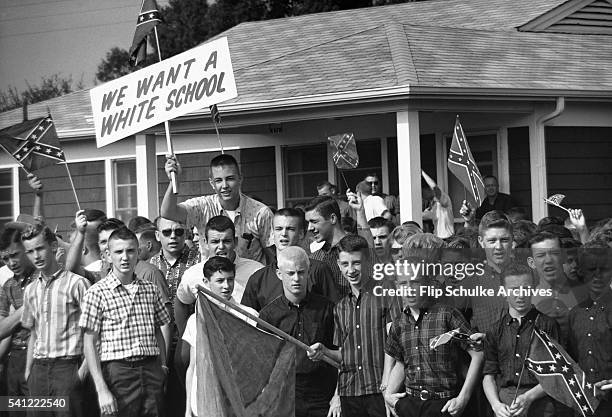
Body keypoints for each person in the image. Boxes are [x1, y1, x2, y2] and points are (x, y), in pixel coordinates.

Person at [80, 227, 171, 417]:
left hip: (151, 368)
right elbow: (89, 343)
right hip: (118, 372)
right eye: (119, 252)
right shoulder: (97, 292)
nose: (125, 257)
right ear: (107, 255)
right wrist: (101, 389)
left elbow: (158, 330)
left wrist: (162, 365)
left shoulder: (150, 289)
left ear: (138, 252)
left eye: (130, 251)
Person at [383, 250, 484, 417]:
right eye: (403, 283)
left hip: (444, 405)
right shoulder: (398, 323)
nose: (409, 289)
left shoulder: (447, 315)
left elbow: (478, 354)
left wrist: (463, 397)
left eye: (415, 282)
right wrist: (387, 396)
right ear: (396, 286)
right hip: (410, 404)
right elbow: (401, 363)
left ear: (427, 283)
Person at [308, 235, 400, 417]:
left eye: (356, 263)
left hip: (380, 391)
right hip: (349, 392)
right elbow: (344, 355)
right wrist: (324, 351)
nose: (350, 270)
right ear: (338, 264)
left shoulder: (388, 293)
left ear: (368, 261)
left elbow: (398, 346)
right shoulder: (340, 307)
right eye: (345, 264)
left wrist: (389, 386)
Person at [20, 224, 90, 417]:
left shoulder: (78, 284)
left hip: (67, 368)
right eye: (30, 251)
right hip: (39, 371)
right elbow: (33, 332)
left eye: (40, 248)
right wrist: (28, 371)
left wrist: (82, 373)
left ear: (52, 246)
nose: (36, 256)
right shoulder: (31, 290)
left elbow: (94, 331)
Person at [483, 263, 570, 417]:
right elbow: (489, 376)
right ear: (503, 292)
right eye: (514, 289)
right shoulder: (495, 330)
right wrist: (495, 404)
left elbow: (559, 373)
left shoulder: (548, 325)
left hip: (541, 403)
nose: (521, 294)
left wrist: (528, 397)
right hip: (505, 406)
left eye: (526, 288)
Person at [259, 247, 337, 417]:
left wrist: (338, 395)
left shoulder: (327, 308)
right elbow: (262, 362)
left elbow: (342, 353)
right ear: (279, 274)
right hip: (284, 394)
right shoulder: (268, 315)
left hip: (322, 394)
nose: (296, 278)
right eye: (290, 273)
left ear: (308, 272)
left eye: (301, 272)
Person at [162, 153, 274, 264]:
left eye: (230, 179)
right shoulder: (202, 207)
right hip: (212, 278)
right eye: (219, 180)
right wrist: (174, 181)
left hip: (250, 280)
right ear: (212, 183)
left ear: (240, 178)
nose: (225, 185)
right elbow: (168, 212)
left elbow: (272, 256)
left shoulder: (260, 212)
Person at [182, 256, 259, 417]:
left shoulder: (249, 316)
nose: (226, 286)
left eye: (230, 280)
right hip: (205, 401)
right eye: (220, 281)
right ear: (206, 281)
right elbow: (193, 366)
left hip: (238, 400)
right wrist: (188, 410)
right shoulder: (195, 319)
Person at [241, 208, 338, 311]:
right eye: (279, 229)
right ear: (272, 234)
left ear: (301, 234)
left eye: (290, 229)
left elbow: (334, 311)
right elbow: (246, 321)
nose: (284, 233)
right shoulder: (258, 279)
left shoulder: (318, 270)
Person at [177, 215, 264, 305]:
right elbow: (182, 301)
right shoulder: (193, 274)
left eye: (226, 241)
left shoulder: (257, 272)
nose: (221, 247)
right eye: (215, 242)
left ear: (235, 242)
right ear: (206, 243)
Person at [568, 242, 612, 416]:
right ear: (581, 272)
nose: (598, 276)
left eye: (604, 269)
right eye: (591, 270)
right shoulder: (575, 313)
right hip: (585, 404)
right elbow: (573, 360)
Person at [528, 231, 587, 342]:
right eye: (541, 255)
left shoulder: (586, 293)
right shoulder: (523, 297)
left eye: (554, 253)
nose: (549, 260)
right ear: (532, 263)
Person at [0, 228, 35, 413]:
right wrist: (23, 310)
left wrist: (11, 320)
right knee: (14, 411)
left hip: (37, 358)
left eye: (15, 255)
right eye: (5, 259)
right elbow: (0, 329)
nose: (11, 263)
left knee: (40, 410)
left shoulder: (41, 278)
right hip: (13, 360)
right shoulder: (8, 286)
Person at [464, 211, 514, 334]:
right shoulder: (470, 280)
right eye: (492, 241)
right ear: (481, 241)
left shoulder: (529, 275)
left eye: (504, 240)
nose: (498, 246)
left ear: (512, 239)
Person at [421, 170, 454, 239]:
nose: (422, 196)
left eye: (422, 192)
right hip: (438, 239)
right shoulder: (433, 205)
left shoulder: (443, 199)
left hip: (448, 238)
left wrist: (422, 173)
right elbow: (423, 215)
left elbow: (434, 187)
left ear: (428, 190)